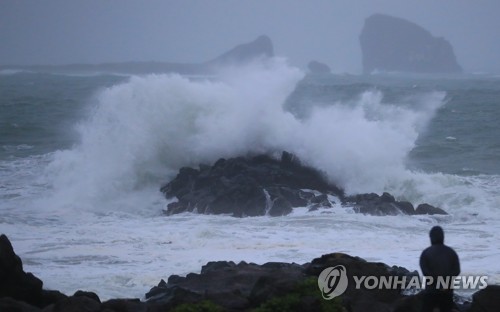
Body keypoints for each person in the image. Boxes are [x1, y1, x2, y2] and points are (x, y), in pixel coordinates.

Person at [419, 226, 460, 312]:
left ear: (431, 238)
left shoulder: (426, 253)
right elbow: (456, 271)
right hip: (447, 291)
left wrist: (437, 283)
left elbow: (426, 273)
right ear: (443, 237)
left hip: (431, 291)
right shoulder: (451, 252)